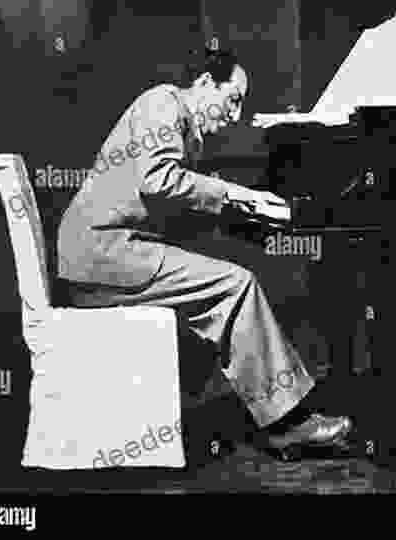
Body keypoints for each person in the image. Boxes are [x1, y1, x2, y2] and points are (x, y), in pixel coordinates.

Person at [56, 48, 352, 458]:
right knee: (237, 285)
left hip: (108, 254)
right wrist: (234, 193)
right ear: (206, 83)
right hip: (107, 256)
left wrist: (253, 223)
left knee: (228, 282)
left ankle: (269, 408)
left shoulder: (175, 121)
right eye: (233, 99)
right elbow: (158, 181)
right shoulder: (163, 102)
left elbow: (166, 205)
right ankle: (285, 424)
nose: (235, 116)